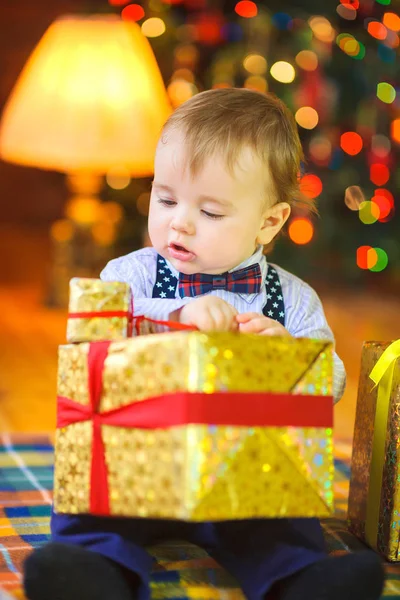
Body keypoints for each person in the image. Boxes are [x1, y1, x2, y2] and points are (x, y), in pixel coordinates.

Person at [24, 89, 384, 600]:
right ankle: (93, 574)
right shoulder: (130, 274)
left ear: (270, 221)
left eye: (211, 212)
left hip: (243, 475)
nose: (179, 222)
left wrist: (289, 358)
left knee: (283, 521)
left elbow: (333, 384)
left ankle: (300, 581)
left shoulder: (292, 298)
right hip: (137, 465)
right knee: (90, 503)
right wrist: (172, 314)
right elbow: (88, 336)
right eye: (166, 198)